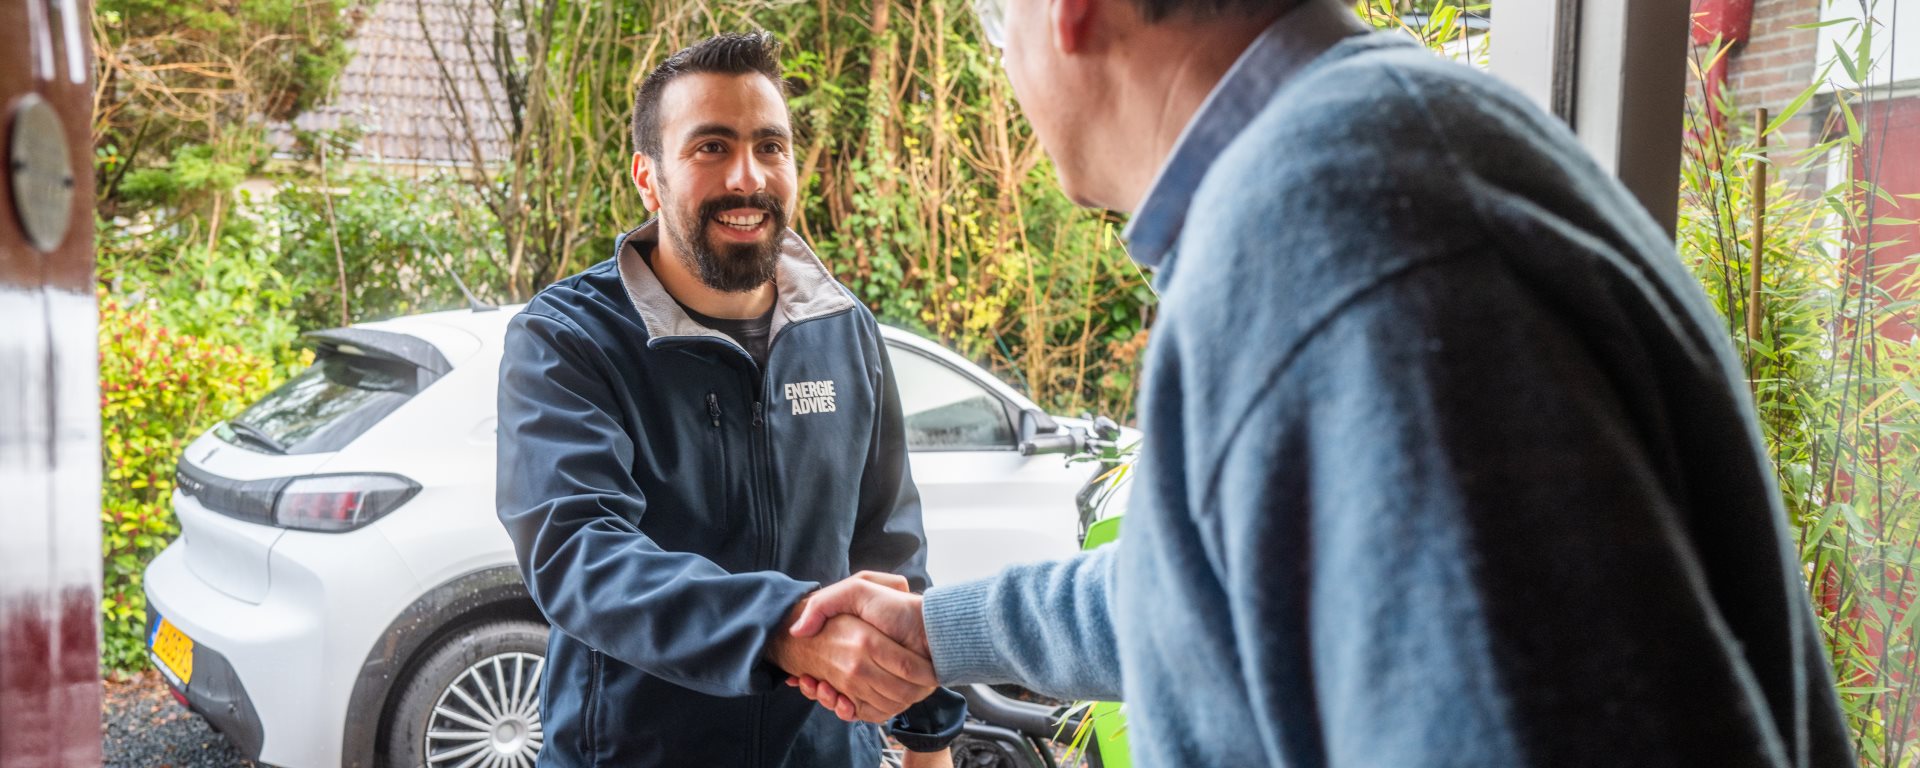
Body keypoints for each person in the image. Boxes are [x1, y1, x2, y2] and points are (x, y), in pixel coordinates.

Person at [785, 0, 1856, 765]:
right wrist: (944, 631)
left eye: (987, 24)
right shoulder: (1372, 156)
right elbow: (1208, 588)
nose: (1003, 67)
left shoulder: (1345, 247)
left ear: (1069, 11)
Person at [496, 31, 960, 768]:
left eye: (770, 146)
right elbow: (580, 554)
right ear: (648, 177)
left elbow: (889, 545)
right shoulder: (569, 337)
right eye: (710, 147)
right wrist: (782, 629)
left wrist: (927, 739)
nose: (748, 178)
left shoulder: (843, 330)